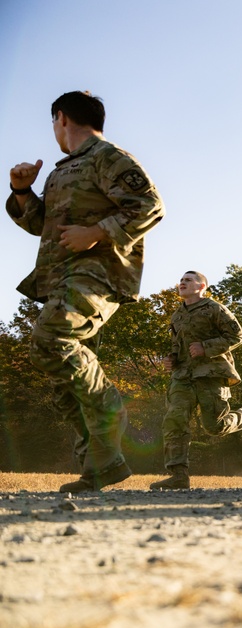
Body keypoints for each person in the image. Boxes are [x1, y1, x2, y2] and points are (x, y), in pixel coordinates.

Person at [6, 91, 165, 492]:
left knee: (50, 339)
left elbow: (150, 204)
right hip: (61, 276)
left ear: (61, 118)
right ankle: (101, 461)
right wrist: (22, 191)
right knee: (52, 360)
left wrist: (95, 233)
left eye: (54, 122)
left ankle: (112, 411)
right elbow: (41, 225)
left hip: (98, 275)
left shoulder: (106, 156)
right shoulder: (64, 170)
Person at [150, 271, 242, 490]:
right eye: (181, 280)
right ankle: (178, 476)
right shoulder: (177, 315)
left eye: (188, 280)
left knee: (215, 426)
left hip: (210, 374)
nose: (182, 283)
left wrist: (206, 348)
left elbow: (237, 336)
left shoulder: (215, 309)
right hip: (182, 377)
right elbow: (177, 344)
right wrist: (171, 359)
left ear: (202, 286)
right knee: (174, 419)